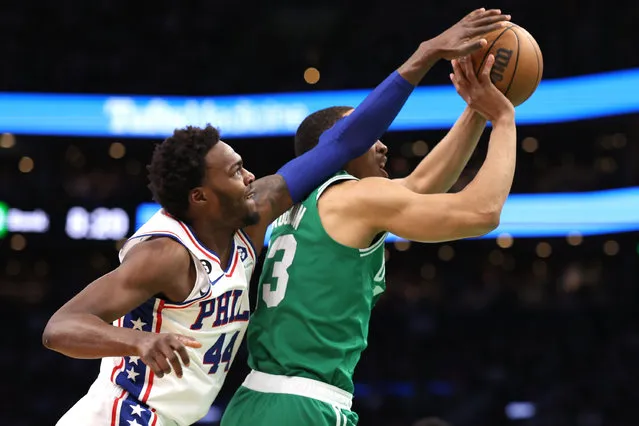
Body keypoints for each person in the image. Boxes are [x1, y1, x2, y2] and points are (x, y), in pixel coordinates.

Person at [41, 8, 507, 426]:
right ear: (201, 197)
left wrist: (426, 57)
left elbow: (347, 144)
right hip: (119, 417)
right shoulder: (165, 254)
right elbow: (59, 328)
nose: (250, 176)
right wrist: (137, 344)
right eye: (235, 171)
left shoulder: (255, 216)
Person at [221, 34, 517, 426]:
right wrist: (504, 119)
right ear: (337, 147)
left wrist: (475, 109)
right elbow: (483, 211)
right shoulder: (352, 199)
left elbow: (420, 184)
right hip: (301, 406)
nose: (381, 145)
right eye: (365, 134)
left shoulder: (305, 204)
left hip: (259, 400)